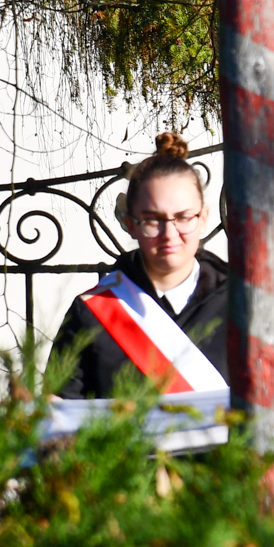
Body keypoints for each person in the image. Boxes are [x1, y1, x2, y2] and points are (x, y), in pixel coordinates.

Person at [48, 133, 228, 401]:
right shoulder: (91, 313)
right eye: (153, 220)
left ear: (203, 219)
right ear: (130, 224)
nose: (169, 234)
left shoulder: (242, 304)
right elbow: (59, 413)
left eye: (183, 217)